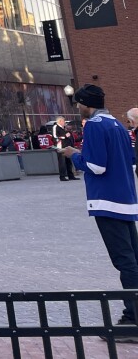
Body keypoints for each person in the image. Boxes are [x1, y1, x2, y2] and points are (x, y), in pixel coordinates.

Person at [60, 85, 138, 341]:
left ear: (85, 103)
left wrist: (74, 155)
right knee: (133, 260)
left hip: (107, 201)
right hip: (126, 198)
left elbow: (96, 166)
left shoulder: (93, 125)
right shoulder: (117, 124)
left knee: (125, 262)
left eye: (78, 103)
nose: (77, 107)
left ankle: (134, 320)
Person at [54, 116, 78, 181]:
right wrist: (65, 136)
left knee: (68, 161)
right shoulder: (56, 127)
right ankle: (62, 176)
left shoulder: (64, 128)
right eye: (64, 121)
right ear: (60, 121)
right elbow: (55, 136)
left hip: (67, 146)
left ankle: (71, 175)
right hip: (60, 146)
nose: (64, 122)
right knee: (62, 162)